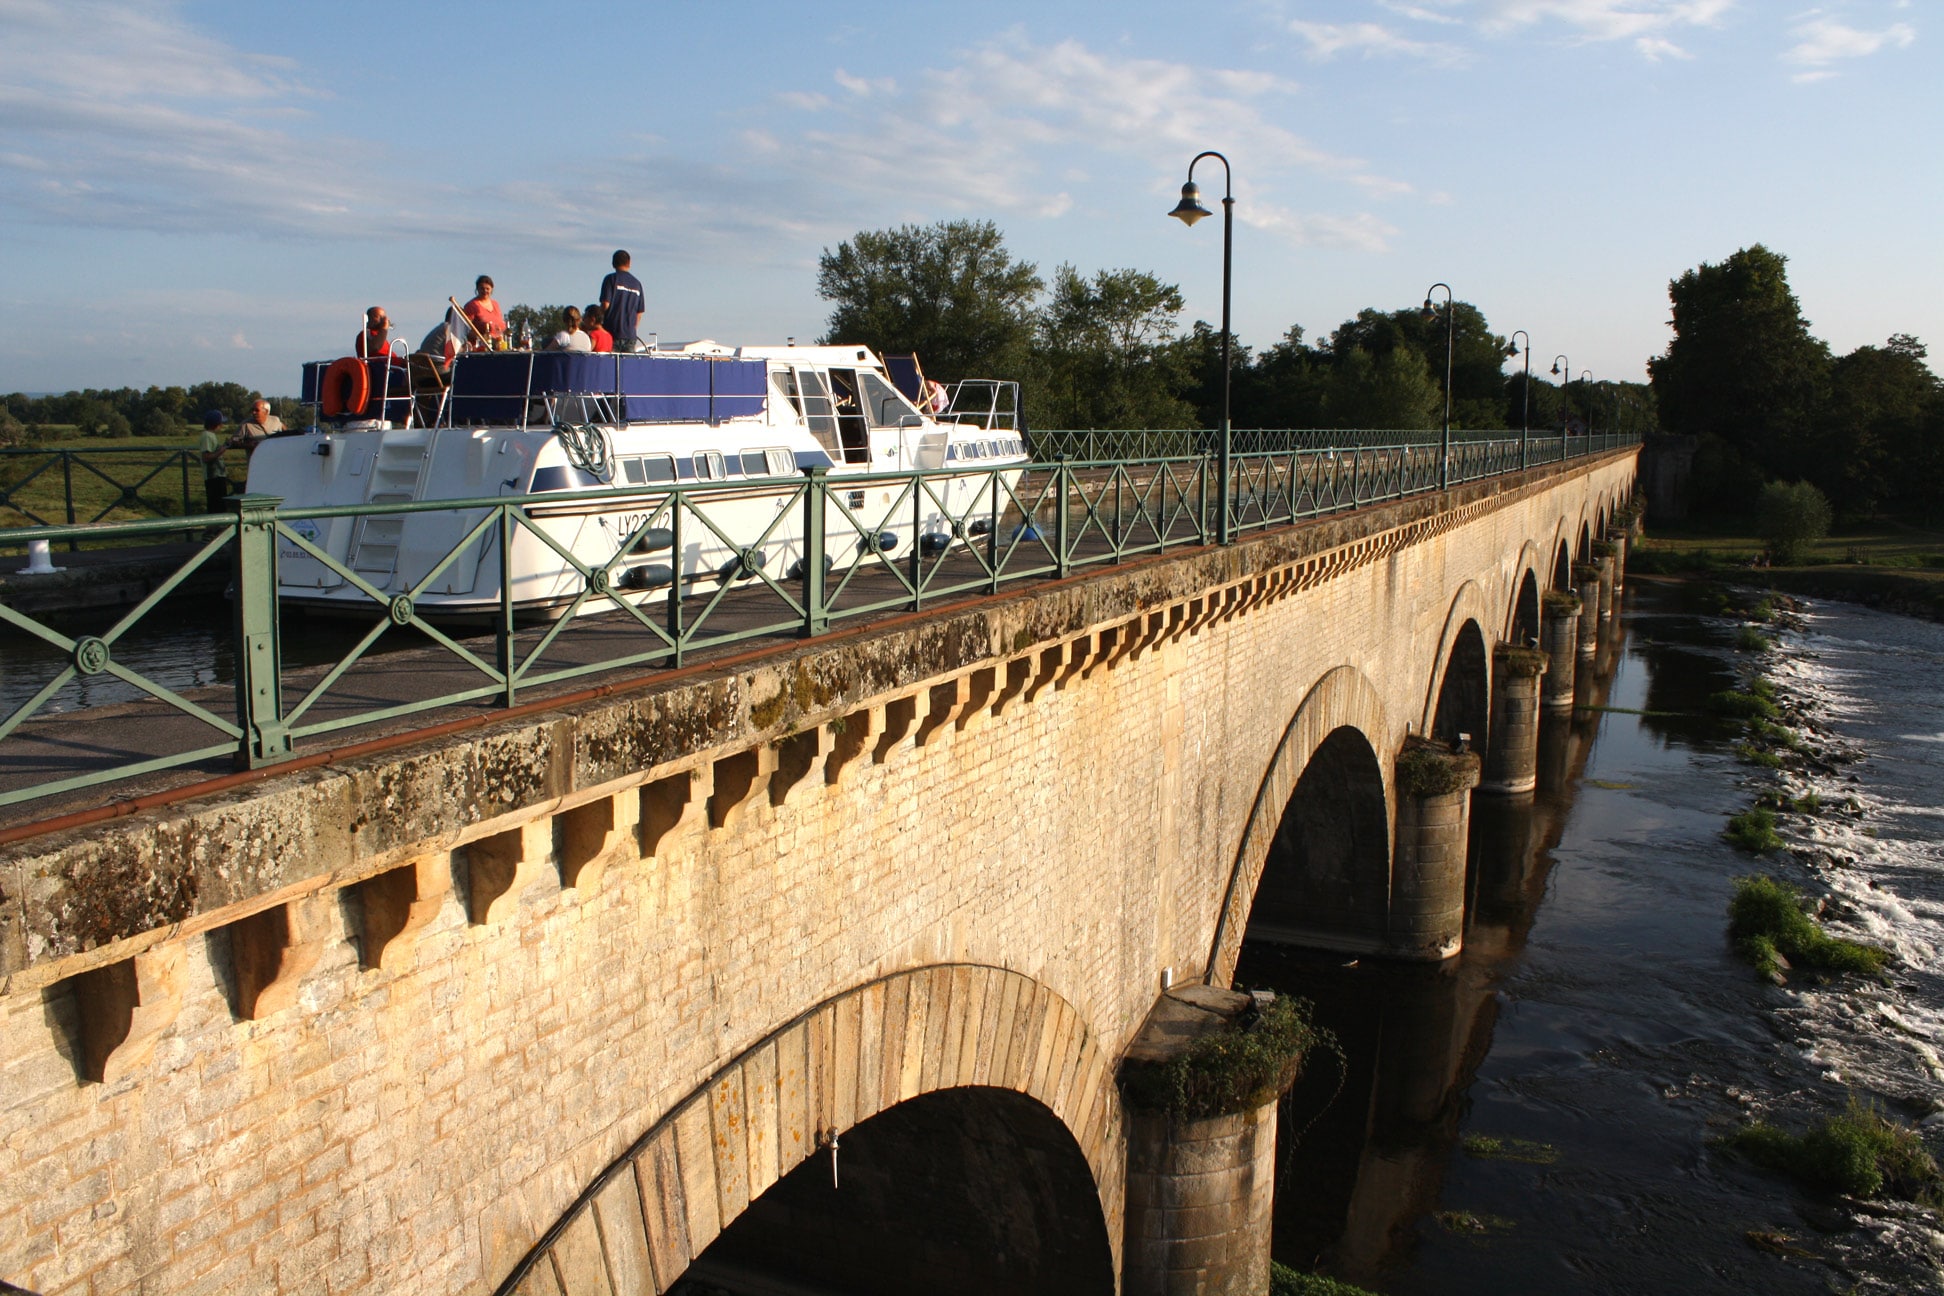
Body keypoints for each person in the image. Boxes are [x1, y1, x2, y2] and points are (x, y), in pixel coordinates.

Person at [598, 250, 645, 352]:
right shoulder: (637, 284)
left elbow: (605, 304)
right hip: (630, 335)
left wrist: (598, 320)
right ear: (629, 263)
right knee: (627, 367)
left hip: (611, 333)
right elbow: (640, 312)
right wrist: (632, 329)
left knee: (611, 366)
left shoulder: (610, 279)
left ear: (613, 263)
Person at [461, 275, 506, 350]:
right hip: (480, 349)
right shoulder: (471, 306)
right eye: (482, 288)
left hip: (499, 346)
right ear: (477, 289)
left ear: (491, 289)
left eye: (487, 288)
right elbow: (466, 329)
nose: (485, 291)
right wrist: (481, 339)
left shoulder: (495, 304)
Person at [198, 410, 231, 513]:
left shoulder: (210, 435)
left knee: (220, 504)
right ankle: (215, 527)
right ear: (216, 424)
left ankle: (217, 527)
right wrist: (223, 449)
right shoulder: (207, 436)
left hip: (218, 475)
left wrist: (224, 445)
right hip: (213, 476)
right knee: (216, 505)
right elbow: (206, 457)